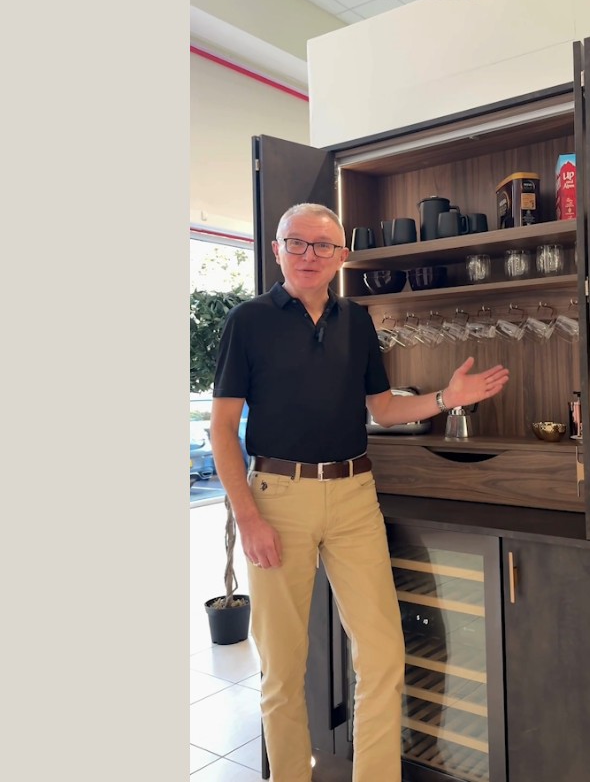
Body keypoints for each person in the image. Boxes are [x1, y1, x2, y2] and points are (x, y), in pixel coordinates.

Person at [210, 202, 510, 782]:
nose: (309, 255)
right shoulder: (247, 321)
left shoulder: (358, 320)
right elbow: (222, 429)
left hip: (354, 495)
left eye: (323, 245)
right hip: (277, 495)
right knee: (282, 668)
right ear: (277, 249)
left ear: (341, 257)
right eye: (296, 243)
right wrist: (248, 516)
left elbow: (384, 408)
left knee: (382, 657)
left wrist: (448, 400)